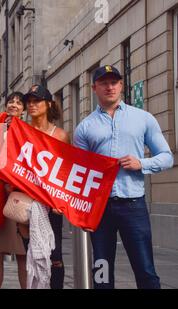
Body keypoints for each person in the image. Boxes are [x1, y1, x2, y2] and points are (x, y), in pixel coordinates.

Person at [74, 65, 174, 289]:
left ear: (121, 85)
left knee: (146, 271)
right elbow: (79, 173)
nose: (109, 87)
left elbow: (167, 157)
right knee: (101, 273)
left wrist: (142, 163)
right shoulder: (84, 128)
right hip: (99, 210)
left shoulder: (143, 118)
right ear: (94, 88)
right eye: (104, 83)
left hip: (133, 206)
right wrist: (82, 213)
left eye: (114, 82)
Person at [23, 84, 69, 289]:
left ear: (48, 104)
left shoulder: (60, 135)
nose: (32, 105)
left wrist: (62, 200)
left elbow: (66, 171)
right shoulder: (21, 132)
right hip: (27, 201)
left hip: (52, 203)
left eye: (37, 101)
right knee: (32, 254)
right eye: (29, 102)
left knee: (55, 255)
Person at [0, 92, 28, 289]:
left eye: (19, 103)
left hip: (21, 194)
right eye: (11, 101)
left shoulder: (29, 131)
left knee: (24, 253)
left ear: (24, 109)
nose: (14, 104)